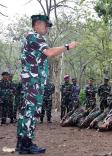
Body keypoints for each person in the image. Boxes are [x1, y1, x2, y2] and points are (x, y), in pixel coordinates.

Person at [17, 14, 78, 154]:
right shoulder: (34, 37)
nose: (47, 29)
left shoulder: (32, 39)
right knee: (30, 112)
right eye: (46, 25)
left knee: (28, 111)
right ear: (37, 24)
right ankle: (26, 145)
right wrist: (68, 46)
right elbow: (50, 52)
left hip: (33, 82)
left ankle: (23, 143)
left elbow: (43, 56)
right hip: (33, 82)